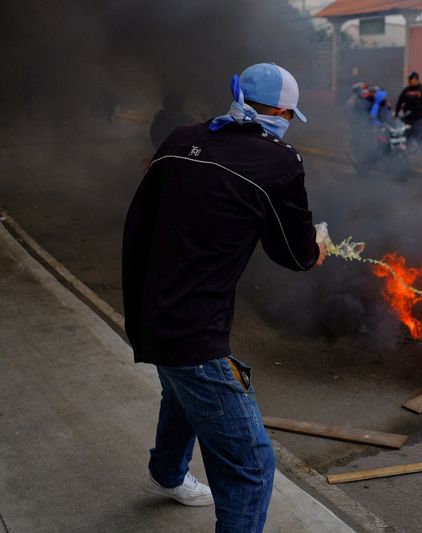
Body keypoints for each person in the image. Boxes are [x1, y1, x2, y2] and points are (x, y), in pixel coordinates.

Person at [122, 62, 326, 532]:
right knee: (251, 467)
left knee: (182, 390)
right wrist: (314, 251)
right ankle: (170, 473)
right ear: (279, 111)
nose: (288, 125)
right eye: (290, 116)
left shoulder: (179, 139)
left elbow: (145, 213)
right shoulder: (280, 160)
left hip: (151, 307)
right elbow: (293, 254)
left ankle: (167, 473)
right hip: (192, 328)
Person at [395, 71, 422, 146]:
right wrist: (396, 113)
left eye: (413, 79)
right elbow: (400, 102)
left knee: (420, 137)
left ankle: (421, 153)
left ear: (417, 80)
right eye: (410, 80)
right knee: (407, 136)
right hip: (408, 118)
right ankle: (408, 152)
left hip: (419, 118)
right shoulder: (406, 90)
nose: (412, 81)